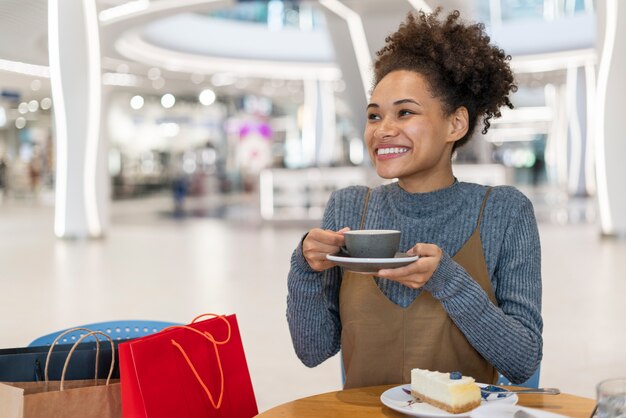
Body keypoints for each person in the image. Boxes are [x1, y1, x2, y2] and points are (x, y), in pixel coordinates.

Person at [286, 8, 542, 389]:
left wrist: (446, 279)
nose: (383, 131)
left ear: (455, 123)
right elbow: (313, 350)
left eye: (405, 113)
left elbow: (522, 360)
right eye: (374, 117)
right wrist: (304, 265)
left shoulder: (504, 212)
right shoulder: (349, 207)